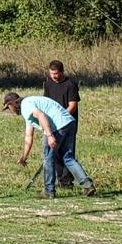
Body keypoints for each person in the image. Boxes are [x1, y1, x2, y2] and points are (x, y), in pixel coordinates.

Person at [2, 91, 95, 198]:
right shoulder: (29, 105)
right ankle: (88, 185)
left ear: (11, 104)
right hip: (69, 122)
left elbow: (41, 115)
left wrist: (50, 135)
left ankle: (49, 191)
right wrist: (24, 157)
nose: (10, 111)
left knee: (48, 158)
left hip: (57, 126)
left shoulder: (26, 105)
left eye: (9, 108)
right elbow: (28, 137)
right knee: (68, 158)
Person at [42, 60, 81, 188]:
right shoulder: (48, 84)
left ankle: (68, 181)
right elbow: (46, 103)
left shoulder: (71, 84)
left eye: (57, 73)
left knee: (67, 152)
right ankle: (61, 180)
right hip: (53, 123)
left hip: (68, 122)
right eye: (52, 74)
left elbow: (73, 106)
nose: (54, 76)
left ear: (62, 72)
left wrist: (61, 118)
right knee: (55, 152)